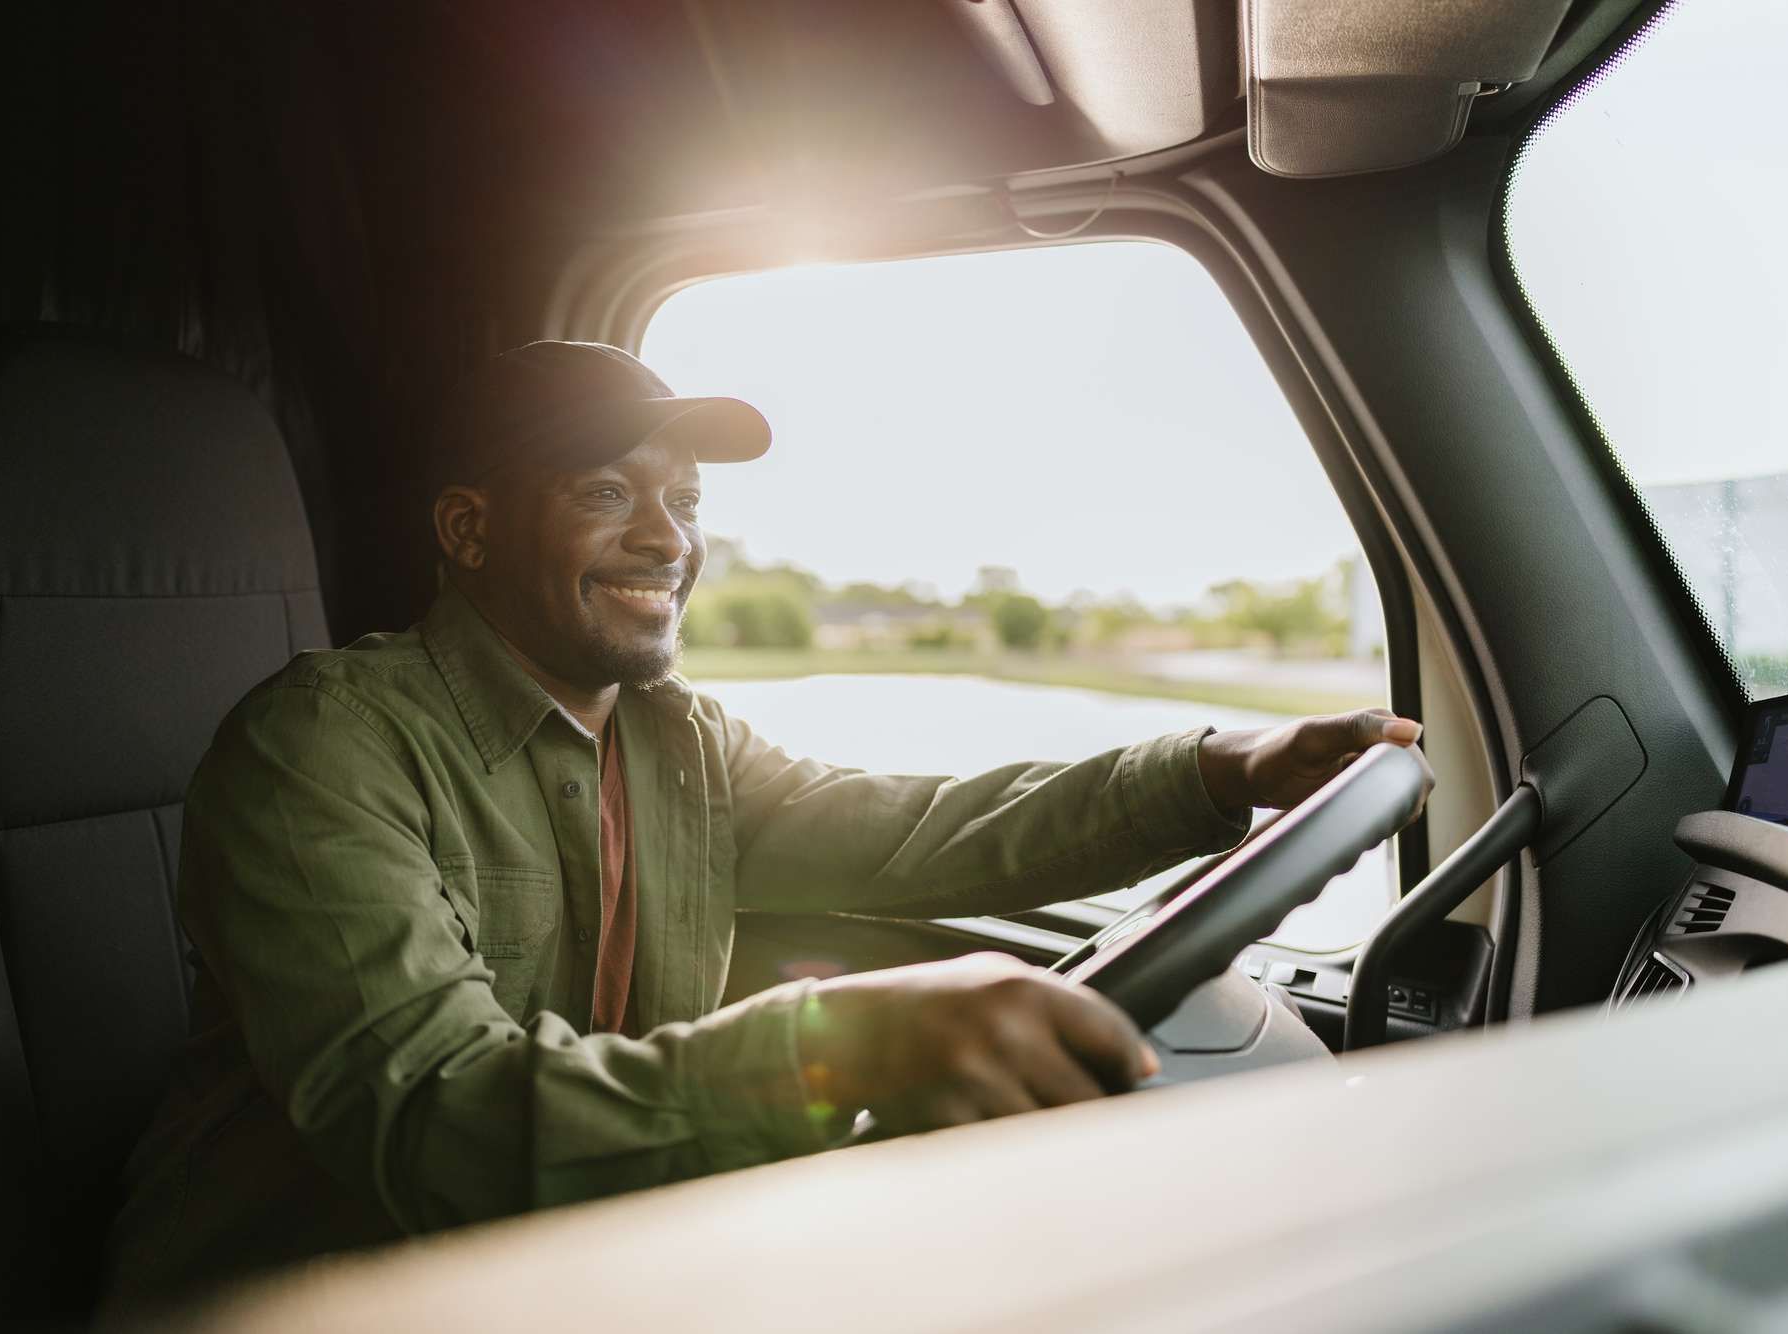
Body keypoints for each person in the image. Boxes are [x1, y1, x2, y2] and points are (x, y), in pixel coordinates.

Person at [104, 341, 1421, 1304]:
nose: (665, 539)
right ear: (469, 528)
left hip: (579, 1265)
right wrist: (839, 1046)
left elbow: (928, 829)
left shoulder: (676, 740)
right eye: (605, 492)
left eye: (685, 502)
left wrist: (1219, 768)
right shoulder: (323, 745)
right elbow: (438, 1119)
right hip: (326, 1295)